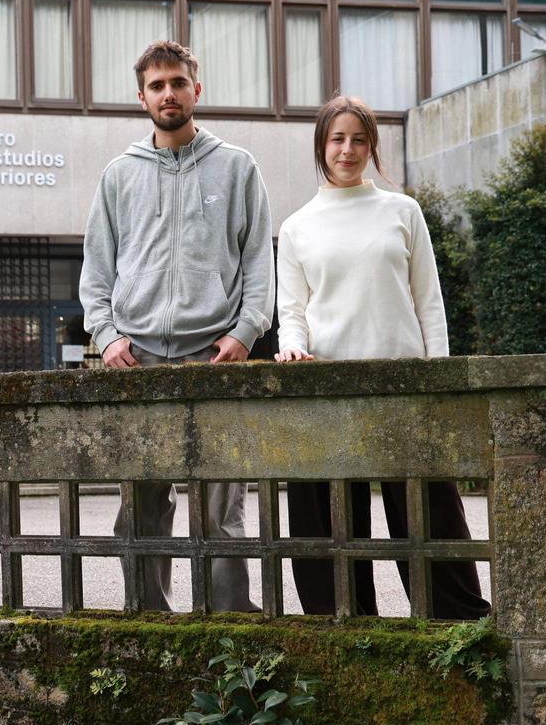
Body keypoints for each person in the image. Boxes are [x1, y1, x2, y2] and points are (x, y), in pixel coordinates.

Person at [274, 95, 491, 620]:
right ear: (321, 146)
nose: (347, 150)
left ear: (372, 145)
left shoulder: (403, 211)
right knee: (329, 517)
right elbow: (293, 309)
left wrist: (440, 376)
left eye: (359, 139)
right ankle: (342, 623)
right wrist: (292, 345)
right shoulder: (298, 225)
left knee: (426, 511)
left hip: (406, 384)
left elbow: (428, 302)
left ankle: (455, 621)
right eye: (337, 139)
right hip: (329, 387)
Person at [79, 40, 275, 612]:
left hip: (215, 359)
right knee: (140, 508)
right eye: (157, 86)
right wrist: (109, 337)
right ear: (141, 97)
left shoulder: (237, 167)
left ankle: (232, 636)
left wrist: (246, 330)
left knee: (222, 512)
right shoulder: (119, 175)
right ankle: (151, 625)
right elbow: (96, 273)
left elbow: (259, 262)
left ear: (197, 89)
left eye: (178, 83)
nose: (169, 93)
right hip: (137, 362)